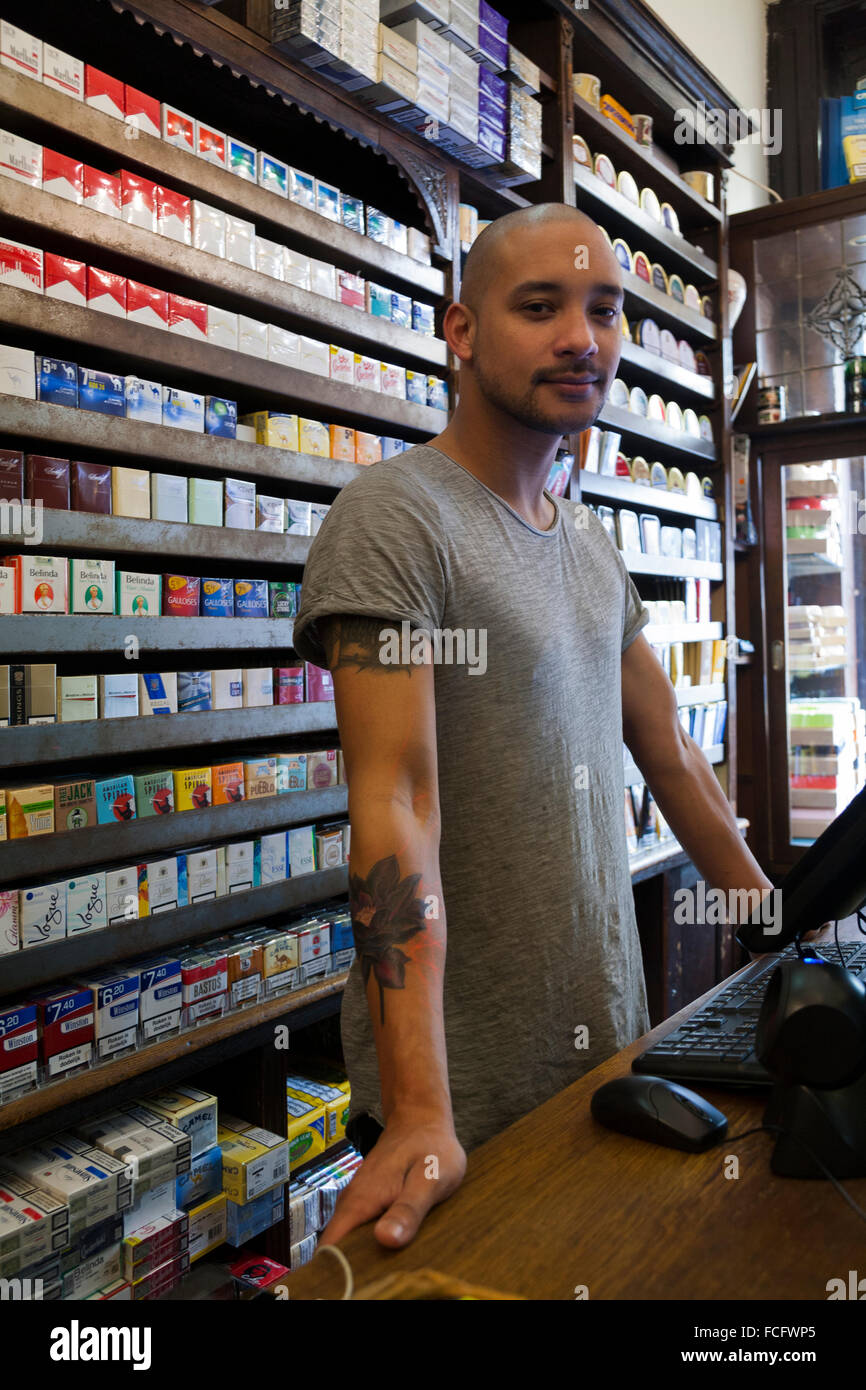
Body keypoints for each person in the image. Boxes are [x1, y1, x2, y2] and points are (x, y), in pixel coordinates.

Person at [291, 203, 774, 1252]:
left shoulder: (588, 541)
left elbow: (669, 751)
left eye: (603, 310)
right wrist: (420, 1109)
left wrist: (776, 924)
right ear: (461, 330)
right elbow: (396, 802)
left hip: (605, 1057)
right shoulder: (395, 517)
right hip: (461, 1102)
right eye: (540, 307)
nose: (580, 338)